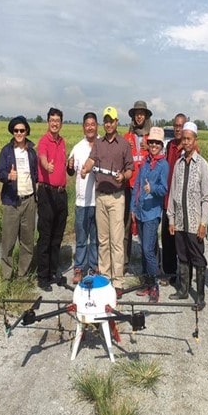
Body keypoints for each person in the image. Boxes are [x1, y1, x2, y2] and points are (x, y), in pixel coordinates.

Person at [81, 106, 133, 287]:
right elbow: (91, 160)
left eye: (111, 120)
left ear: (117, 122)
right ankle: (104, 277)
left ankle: (117, 281)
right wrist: (85, 169)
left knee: (117, 241)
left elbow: (130, 169)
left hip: (117, 197)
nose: (109, 124)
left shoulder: (124, 144)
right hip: (100, 196)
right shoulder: (98, 144)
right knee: (103, 240)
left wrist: (123, 176)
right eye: (106, 121)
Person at [167, 122, 208, 310]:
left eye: (189, 139)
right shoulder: (178, 163)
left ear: (195, 140)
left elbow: (206, 197)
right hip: (180, 221)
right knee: (182, 256)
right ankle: (183, 290)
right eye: (183, 139)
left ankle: (200, 297)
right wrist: (171, 218)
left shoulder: (202, 165)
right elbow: (173, 193)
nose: (185, 142)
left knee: (198, 258)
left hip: (194, 223)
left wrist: (203, 222)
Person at [0, 116, 38, 283]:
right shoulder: (6, 151)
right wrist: (8, 176)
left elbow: (35, 174)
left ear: (27, 131)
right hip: (12, 201)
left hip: (29, 200)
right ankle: (7, 276)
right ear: (12, 132)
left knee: (27, 241)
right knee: (8, 241)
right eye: (16, 130)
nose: (19, 133)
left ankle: (23, 275)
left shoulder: (31, 152)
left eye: (22, 130)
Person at [130, 127, 169, 303]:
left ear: (161, 145)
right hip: (140, 211)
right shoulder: (145, 162)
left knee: (148, 249)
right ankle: (147, 282)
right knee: (144, 249)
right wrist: (132, 207)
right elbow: (137, 184)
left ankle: (154, 286)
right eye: (151, 142)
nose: (153, 145)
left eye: (157, 143)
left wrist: (152, 189)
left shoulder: (163, 165)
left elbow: (164, 189)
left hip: (152, 213)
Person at [36, 107, 68, 292]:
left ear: (61, 123)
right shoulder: (44, 141)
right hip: (47, 193)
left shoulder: (62, 141)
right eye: (52, 120)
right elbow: (42, 157)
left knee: (57, 235)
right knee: (46, 235)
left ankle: (54, 271)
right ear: (48, 122)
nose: (55, 123)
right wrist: (46, 165)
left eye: (58, 120)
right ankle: (43, 276)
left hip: (61, 194)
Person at [66, 112, 99, 284]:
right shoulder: (78, 147)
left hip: (98, 200)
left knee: (95, 238)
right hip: (81, 201)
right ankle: (79, 268)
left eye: (93, 124)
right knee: (81, 238)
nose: (90, 127)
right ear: (83, 127)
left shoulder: (102, 145)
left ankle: (93, 267)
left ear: (97, 126)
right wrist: (69, 166)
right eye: (87, 124)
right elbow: (70, 170)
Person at [123, 100, 153, 274]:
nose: (139, 116)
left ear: (146, 116)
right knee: (126, 225)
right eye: (136, 113)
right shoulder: (127, 138)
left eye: (142, 113)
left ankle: (149, 264)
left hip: (146, 189)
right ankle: (125, 263)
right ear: (133, 117)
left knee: (147, 227)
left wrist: (149, 148)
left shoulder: (152, 139)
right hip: (129, 186)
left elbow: (159, 158)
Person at [161, 113, 188, 286]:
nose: (177, 129)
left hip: (182, 203)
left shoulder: (189, 148)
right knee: (166, 238)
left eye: (181, 126)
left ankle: (183, 277)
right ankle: (169, 272)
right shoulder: (169, 146)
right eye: (176, 126)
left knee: (181, 240)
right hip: (167, 199)